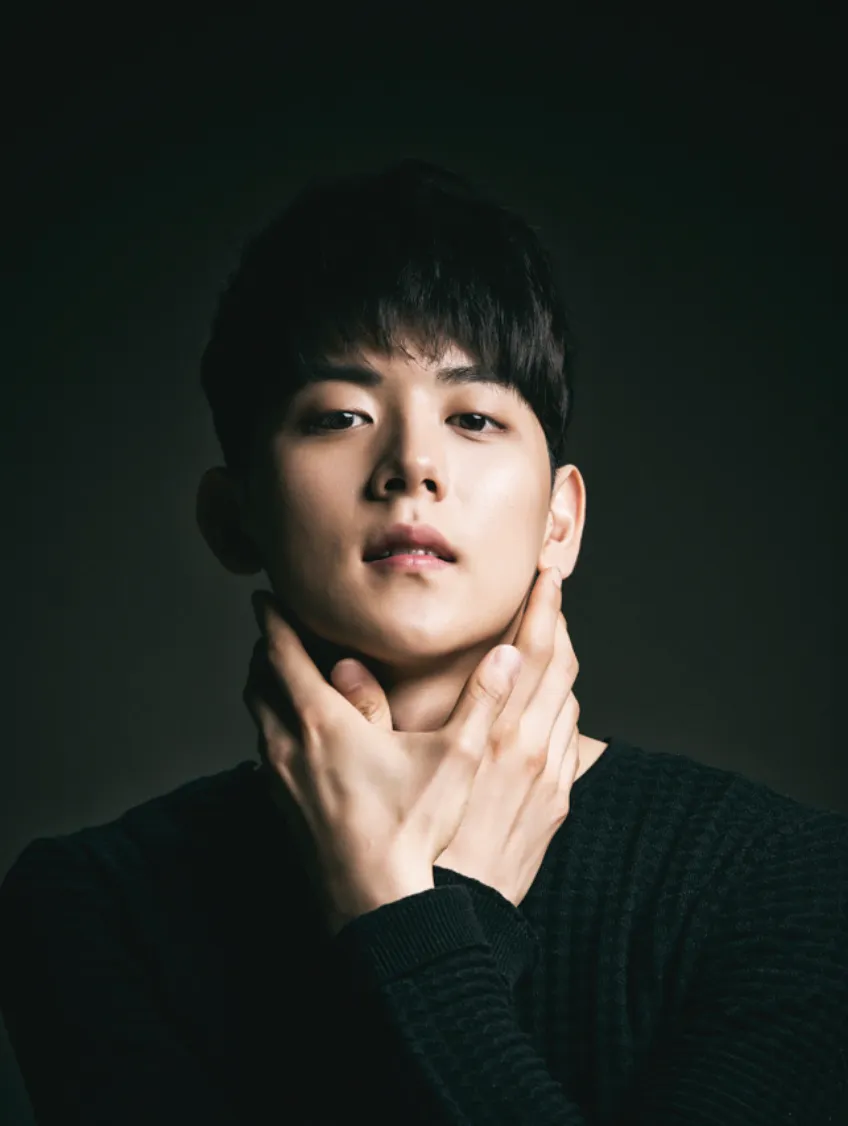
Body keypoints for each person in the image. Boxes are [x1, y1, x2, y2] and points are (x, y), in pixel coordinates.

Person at [1, 159, 846, 1125]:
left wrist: (396, 917)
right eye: (339, 416)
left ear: (560, 522)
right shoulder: (94, 906)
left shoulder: (783, 882)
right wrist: (456, 907)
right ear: (233, 518)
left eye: (474, 416)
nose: (412, 464)